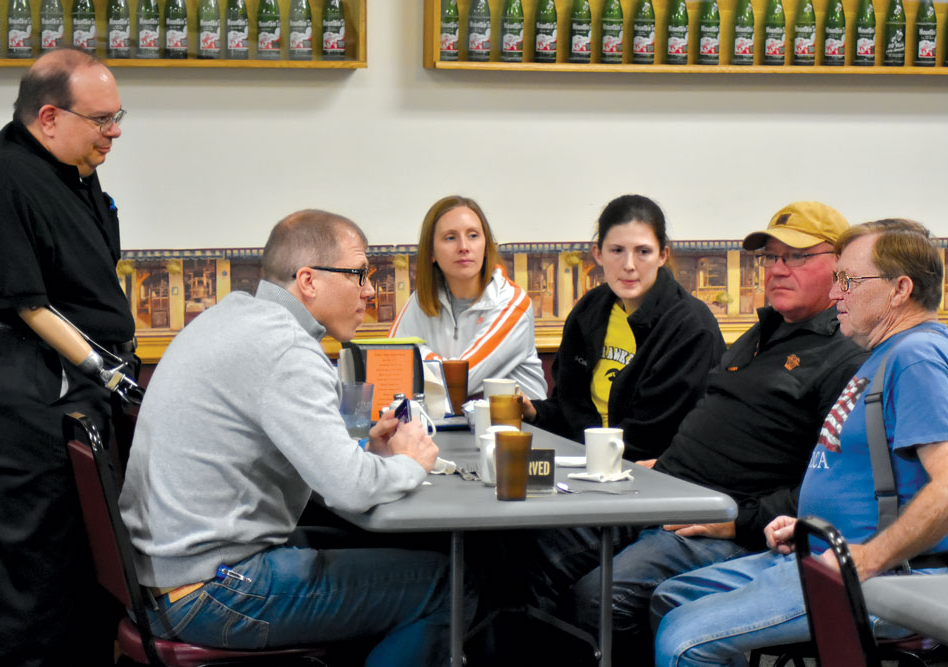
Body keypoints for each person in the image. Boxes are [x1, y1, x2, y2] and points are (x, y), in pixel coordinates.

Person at [512, 201, 870, 666]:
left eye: (798, 257)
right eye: (772, 257)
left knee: (598, 598)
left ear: (840, 267)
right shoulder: (761, 333)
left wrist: (740, 520)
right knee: (528, 548)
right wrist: (666, 467)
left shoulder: (847, 356)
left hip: (721, 527)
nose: (779, 269)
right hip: (663, 492)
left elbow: (831, 486)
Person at [119, 210, 455, 667]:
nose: (371, 291)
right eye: (359, 274)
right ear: (309, 281)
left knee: (394, 554)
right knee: (446, 584)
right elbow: (349, 489)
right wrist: (411, 462)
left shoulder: (229, 317)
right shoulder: (288, 349)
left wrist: (358, 451)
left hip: (159, 582)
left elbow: (316, 461)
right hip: (212, 591)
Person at [652, 219, 948, 667]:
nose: (835, 294)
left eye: (847, 280)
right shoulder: (884, 355)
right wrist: (808, 523)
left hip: (882, 575)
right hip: (819, 552)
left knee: (683, 641)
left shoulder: (916, 357)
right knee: (671, 597)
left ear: (900, 289)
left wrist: (864, 559)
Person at [0, 49, 137, 666]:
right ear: (49, 116)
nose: (114, 131)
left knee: (86, 564)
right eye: (102, 120)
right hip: (17, 380)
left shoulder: (76, 165)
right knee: (31, 571)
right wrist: (108, 373)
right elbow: (28, 304)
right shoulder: (5, 170)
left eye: (118, 117)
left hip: (63, 380)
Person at [522, 194, 725, 456]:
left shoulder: (691, 329)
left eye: (643, 252)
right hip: (586, 465)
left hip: (653, 477)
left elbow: (652, 439)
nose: (629, 265)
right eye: (617, 251)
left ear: (662, 255)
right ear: (598, 254)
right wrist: (534, 412)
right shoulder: (589, 310)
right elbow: (569, 411)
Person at [387, 195, 547, 400]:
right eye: (450, 238)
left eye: (473, 235)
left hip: (518, 427)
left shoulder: (513, 303)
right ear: (431, 253)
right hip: (448, 424)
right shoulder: (422, 299)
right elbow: (389, 359)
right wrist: (437, 363)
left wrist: (420, 355)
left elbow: (459, 382)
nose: (464, 247)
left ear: (486, 246)